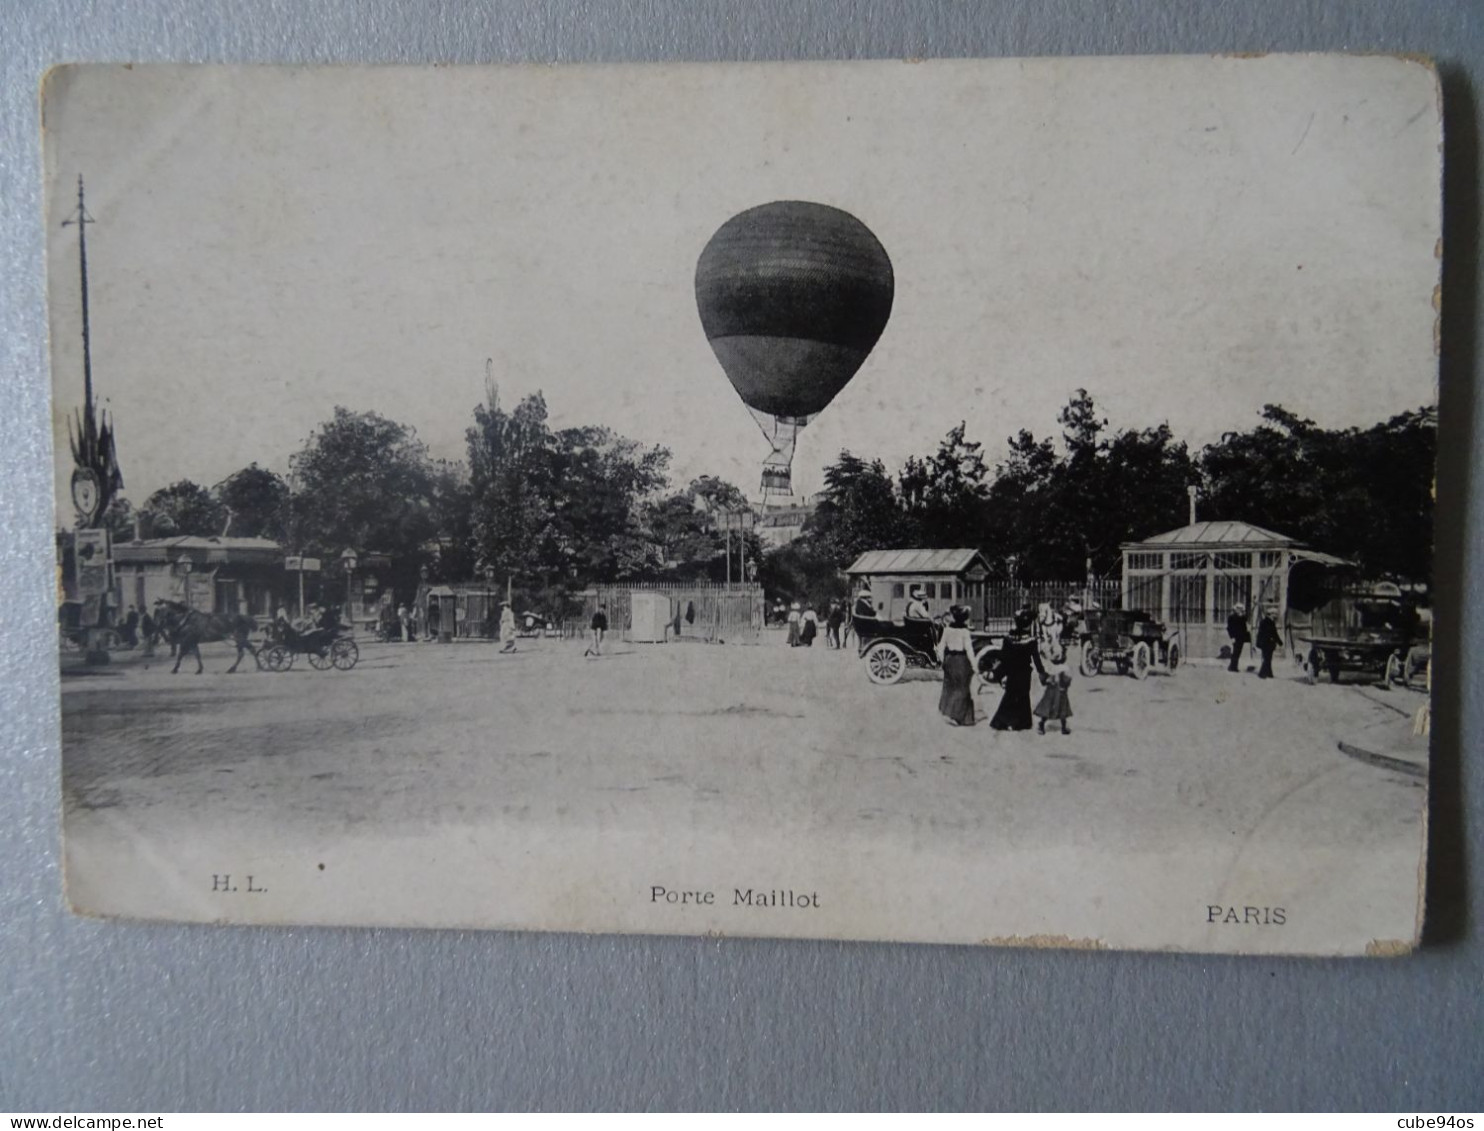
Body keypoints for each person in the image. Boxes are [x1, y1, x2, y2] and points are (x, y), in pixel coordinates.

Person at [990, 609, 1048, 732]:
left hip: (1011, 671)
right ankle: (1021, 722)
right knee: (1023, 696)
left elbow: (1003, 657)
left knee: (1010, 695)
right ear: (1028, 625)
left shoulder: (1008, 638)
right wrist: (1042, 673)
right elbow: (1036, 659)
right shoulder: (1031, 641)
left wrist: (1000, 673)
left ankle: (1003, 720)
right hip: (1024, 672)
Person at [936, 604, 977, 726]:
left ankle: (947, 710)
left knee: (950, 686)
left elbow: (941, 646)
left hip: (949, 660)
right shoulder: (965, 632)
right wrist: (974, 665)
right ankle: (957, 716)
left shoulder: (947, 629)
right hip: (961, 660)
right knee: (962, 688)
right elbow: (969, 649)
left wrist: (941, 661)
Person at [1034, 653, 1074, 735]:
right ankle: (1063, 728)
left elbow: (1043, 679)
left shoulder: (1050, 668)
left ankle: (1042, 724)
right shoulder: (1064, 669)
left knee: (1048, 708)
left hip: (1051, 691)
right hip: (1061, 691)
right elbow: (1067, 681)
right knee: (1063, 710)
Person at [1256, 605, 1281, 679]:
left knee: (1268, 658)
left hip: (1269, 643)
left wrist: (1279, 641)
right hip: (1265, 643)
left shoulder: (1270, 622)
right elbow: (1268, 633)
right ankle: (1262, 673)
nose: (1276, 616)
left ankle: (1269, 673)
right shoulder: (1265, 622)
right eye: (1274, 614)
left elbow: (1274, 633)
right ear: (1270, 614)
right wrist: (1276, 640)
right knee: (1266, 658)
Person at [1227, 602, 1251, 673]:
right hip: (1235, 637)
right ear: (1235, 609)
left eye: (1241, 609)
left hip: (1241, 637)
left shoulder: (1243, 617)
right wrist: (1232, 637)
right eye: (1238, 608)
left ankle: (1233, 666)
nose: (1239, 610)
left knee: (1238, 652)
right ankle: (1233, 667)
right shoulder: (1231, 617)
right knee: (1235, 652)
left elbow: (1245, 626)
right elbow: (1229, 628)